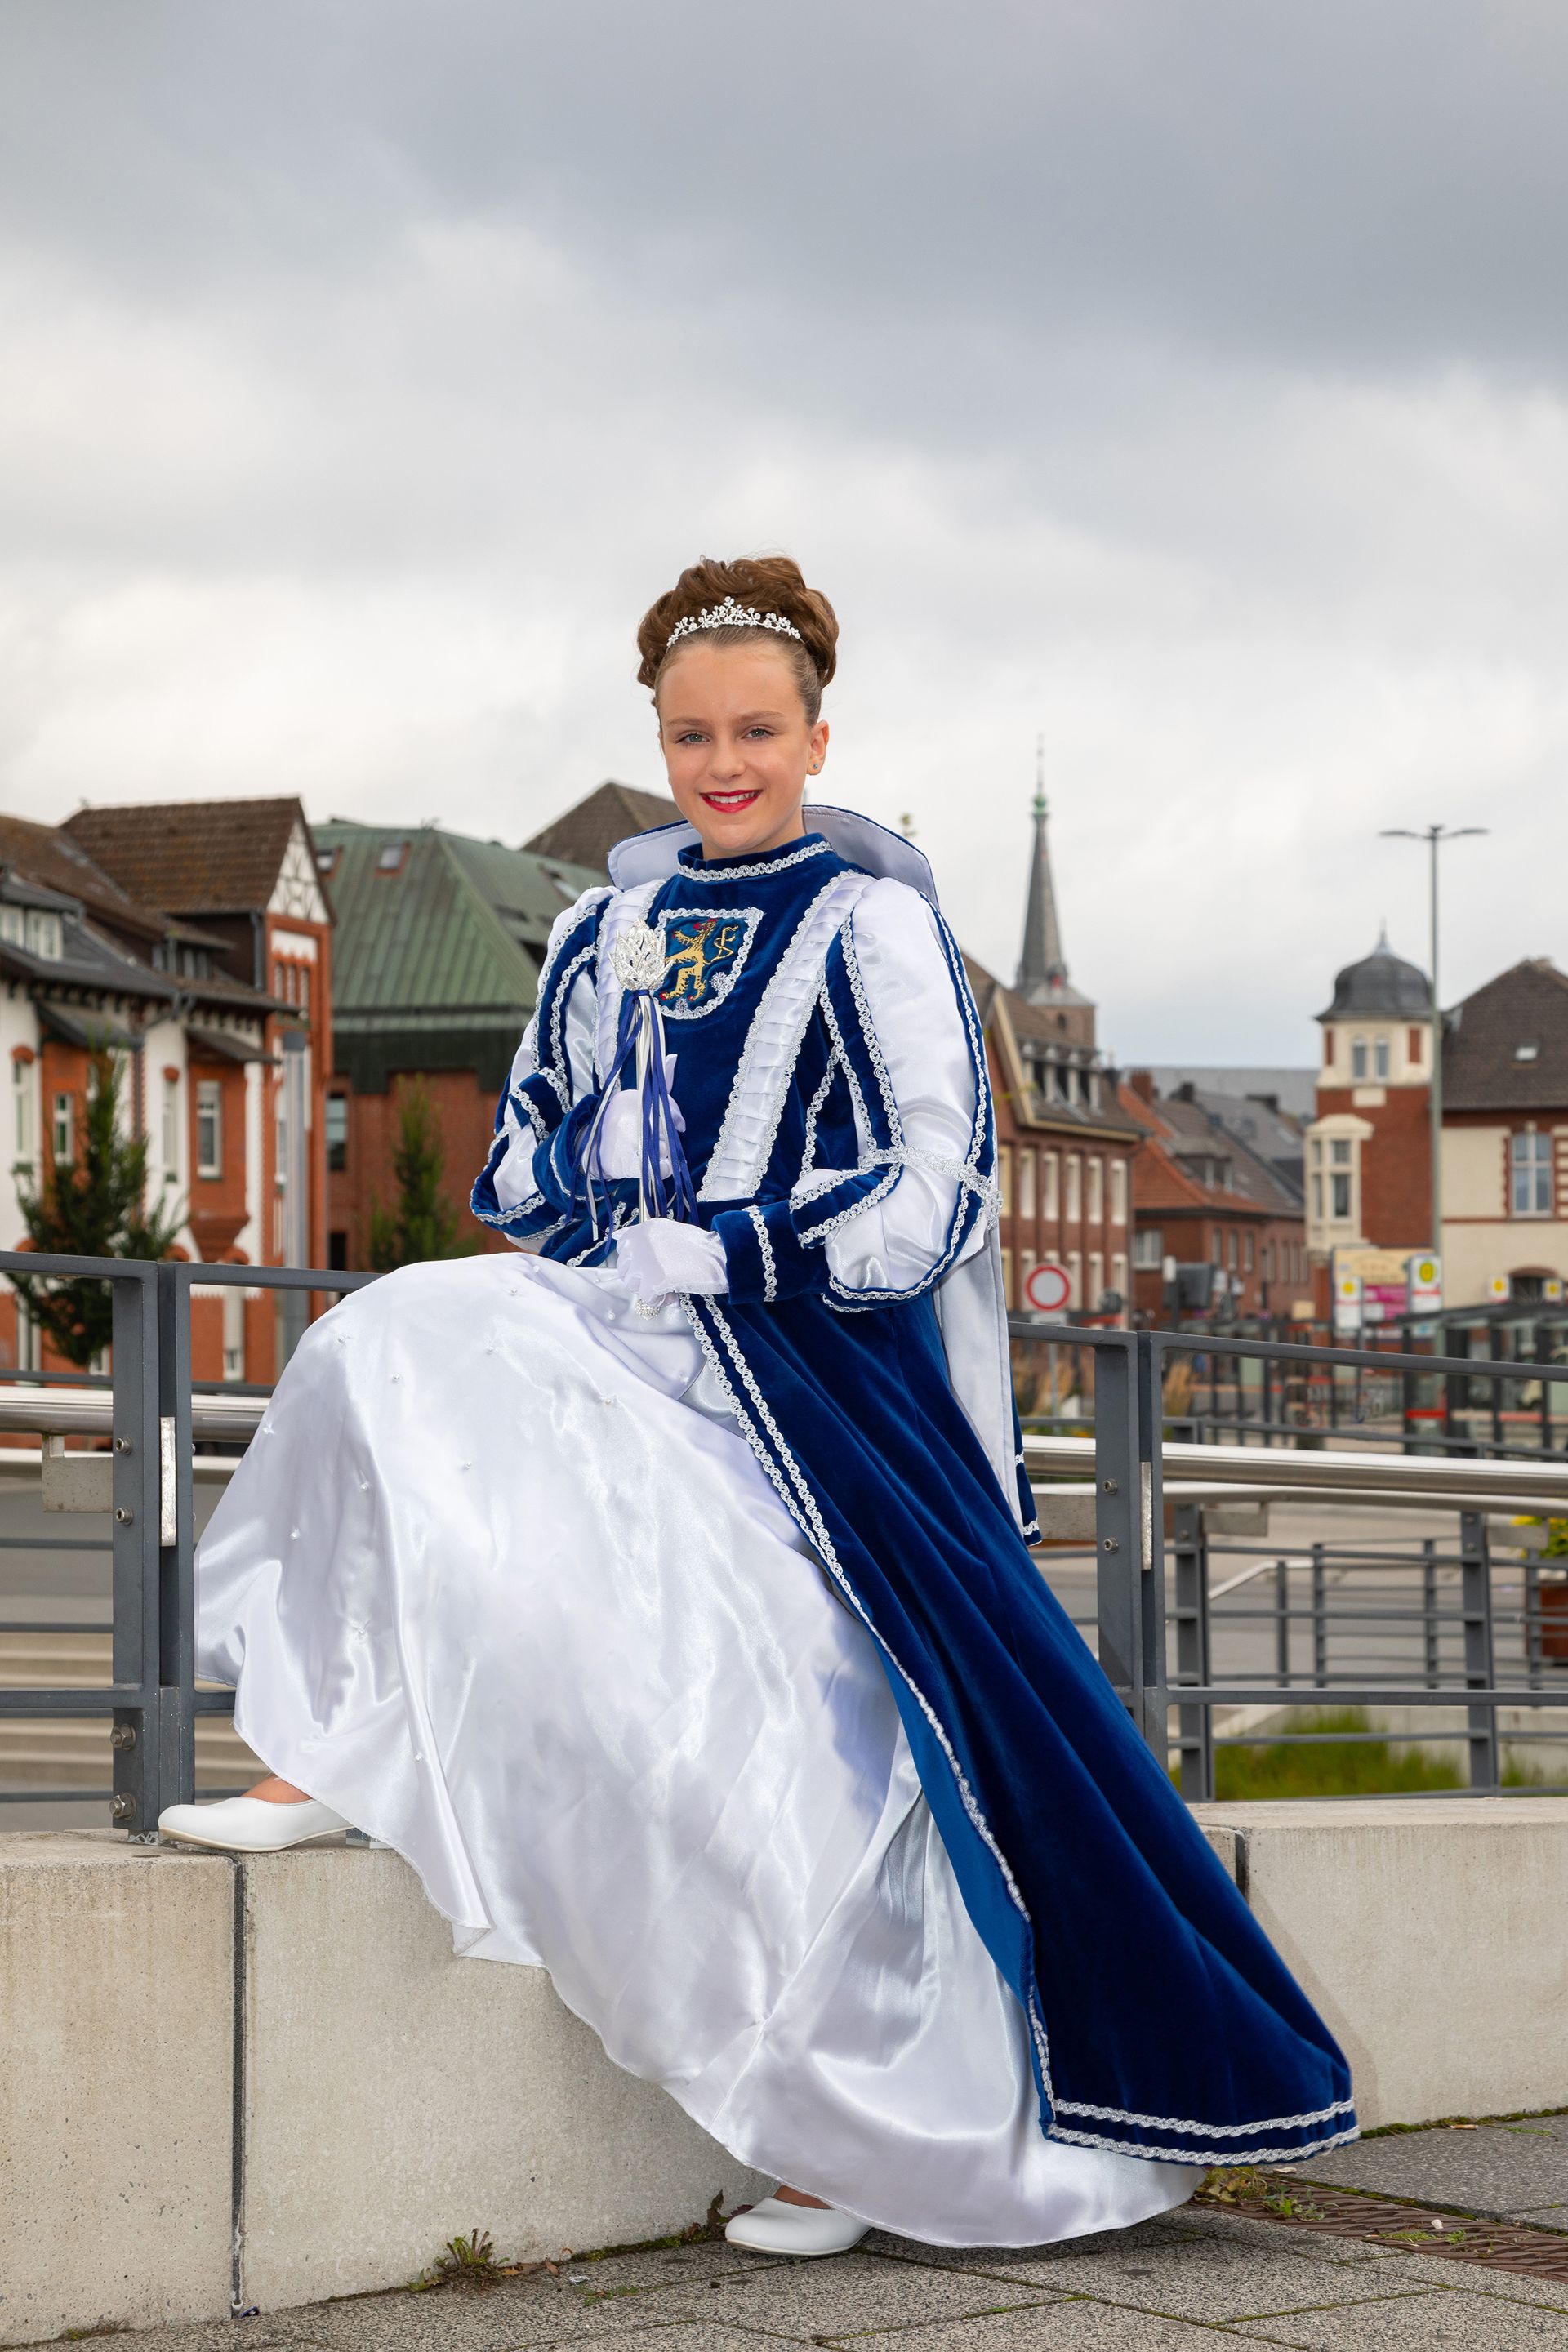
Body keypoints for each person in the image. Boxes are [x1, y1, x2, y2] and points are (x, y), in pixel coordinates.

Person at [159, 555, 1355, 2257]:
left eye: (756, 733)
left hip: (815, 1372)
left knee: (791, 1703)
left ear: (815, 738)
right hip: (627, 1319)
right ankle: (337, 1744)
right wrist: (595, 1174)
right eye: (691, 735)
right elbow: (520, 1154)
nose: (723, 764)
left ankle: (852, 2140)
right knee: (385, 1339)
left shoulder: (875, 926)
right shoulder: (606, 927)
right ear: (659, 741)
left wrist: (740, 1242)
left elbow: (940, 1185)